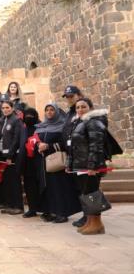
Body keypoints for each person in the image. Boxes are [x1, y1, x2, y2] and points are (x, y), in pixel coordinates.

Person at [66, 98, 110, 235]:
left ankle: (97, 224)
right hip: (81, 165)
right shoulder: (81, 122)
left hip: (90, 166)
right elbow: (74, 147)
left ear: (90, 108)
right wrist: (70, 164)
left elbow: (95, 146)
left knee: (92, 194)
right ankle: (91, 222)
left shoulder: (93, 122)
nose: (79, 109)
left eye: (83, 107)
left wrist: (92, 166)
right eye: (77, 107)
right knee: (86, 194)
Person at [36, 103, 82, 223]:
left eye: (52, 110)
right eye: (47, 110)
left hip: (57, 161)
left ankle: (62, 213)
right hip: (44, 161)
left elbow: (65, 143)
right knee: (49, 188)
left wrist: (48, 146)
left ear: (56, 112)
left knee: (60, 187)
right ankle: (51, 211)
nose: (49, 112)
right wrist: (38, 145)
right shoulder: (41, 126)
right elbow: (36, 140)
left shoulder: (62, 126)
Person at [60, 85, 87, 228]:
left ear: (78, 95)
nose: (69, 99)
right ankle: (87, 215)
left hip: (85, 157)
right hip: (73, 156)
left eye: (72, 96)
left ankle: (91, 217)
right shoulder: (70, 113)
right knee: (79, 187)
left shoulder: (86, 110)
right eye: (67, 97)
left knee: (87, 188)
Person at [0, 100, 25, 215]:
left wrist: (11, 155)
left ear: (12, 108)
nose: (5, 109)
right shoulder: (2, 120)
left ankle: (18, 206)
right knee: (6, 181)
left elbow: (17, 139)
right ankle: (10, 205)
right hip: (2, 155)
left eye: (7, 107)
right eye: (3, 108)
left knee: (14, 181)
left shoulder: (16, 120)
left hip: (12, 156)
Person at [20, 107, 45, 219]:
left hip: (39, 161)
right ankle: (32, 209)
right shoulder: (24, 128)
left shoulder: (41, 127)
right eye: (27, 115)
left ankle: (44, 208)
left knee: (41, 185)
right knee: (29, 187)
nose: (29, 117)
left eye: (31, 115)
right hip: (27, 162)